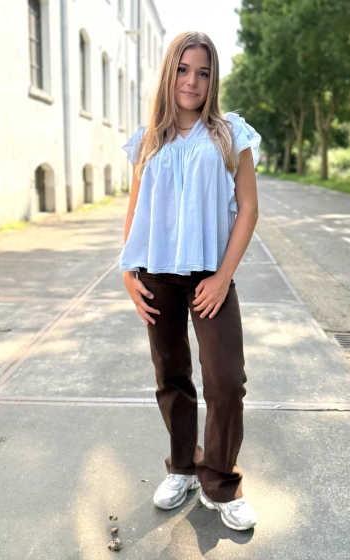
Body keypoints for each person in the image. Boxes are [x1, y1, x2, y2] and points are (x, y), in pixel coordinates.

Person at [119, 30, 261, 531]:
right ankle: (182, 468)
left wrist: (223, 276)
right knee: (172, 377)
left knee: (226, 379)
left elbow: (248, 209)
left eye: (203, 72)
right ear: (169, 73)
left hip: (209, 275)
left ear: (212, 79)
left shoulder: (230, 134)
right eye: (183, 69)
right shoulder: (148, 140)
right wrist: (127, 272)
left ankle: (220, 481)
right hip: (156, 274)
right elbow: (136, 210)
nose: (192, 81)